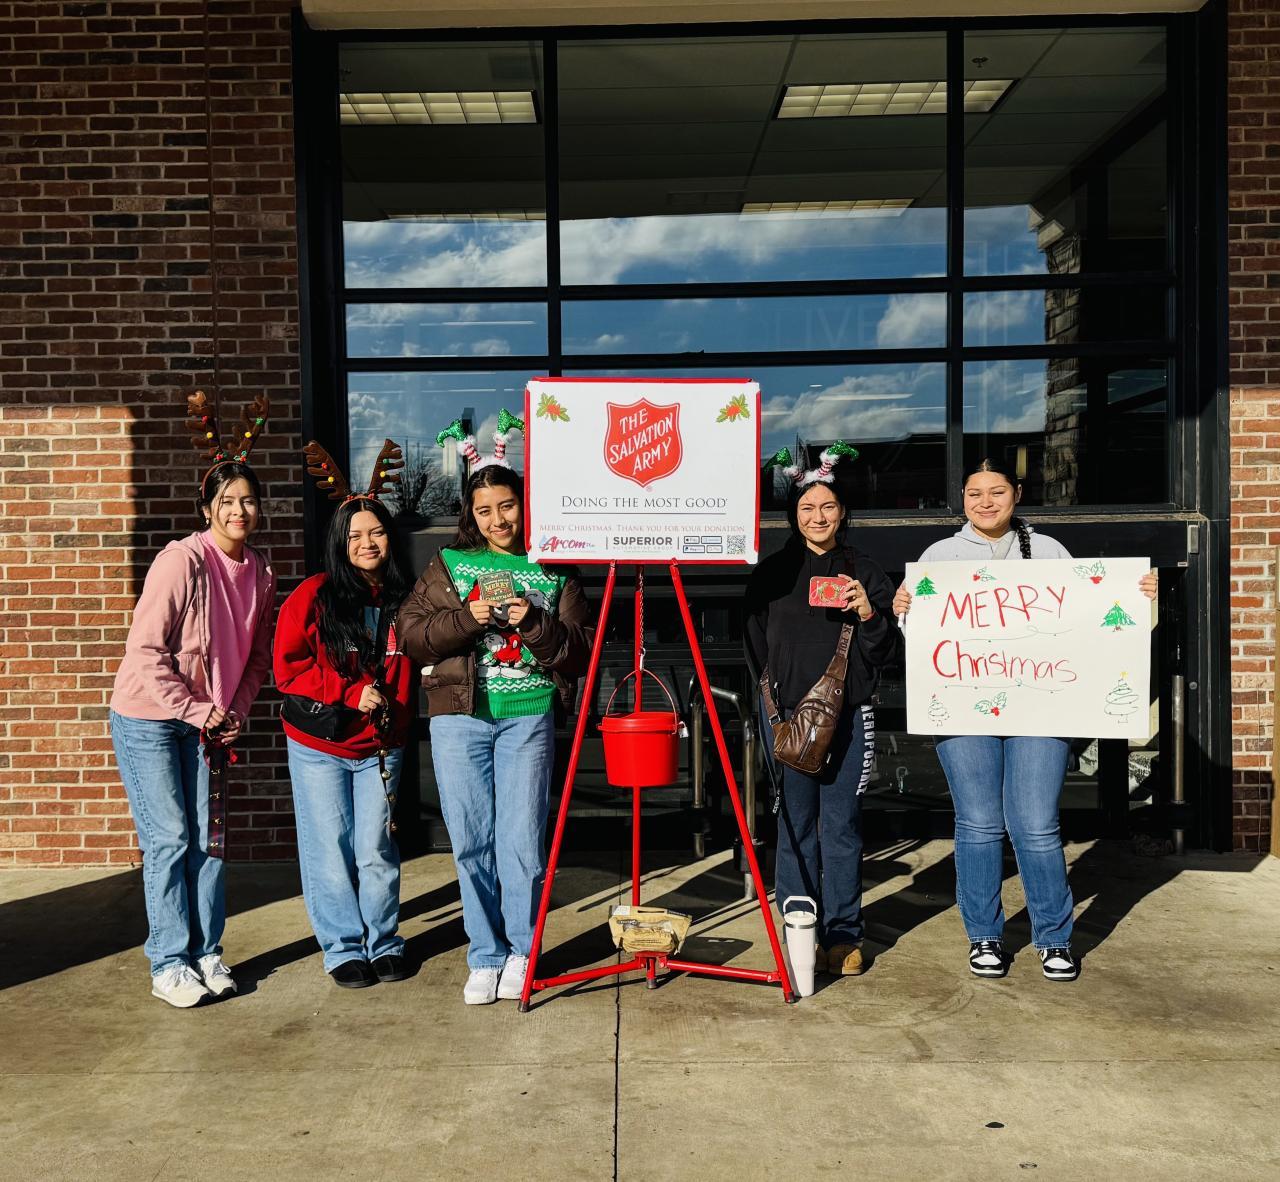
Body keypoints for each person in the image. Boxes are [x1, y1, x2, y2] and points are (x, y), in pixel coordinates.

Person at [892, 458, 1158, 983]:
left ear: (1016, 494)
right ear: (962, 499)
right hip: (964, 706)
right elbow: (921, 638)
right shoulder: (939, 556)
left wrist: (1136, 595)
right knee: (978, 824)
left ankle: (1054, 938)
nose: (985, 502)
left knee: (1035, 825)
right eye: (974, 493)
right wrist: (905, 608)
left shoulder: (1050, 550)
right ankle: (984, 936)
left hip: (1041, 706)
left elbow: (1086, 616)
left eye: (996, 492)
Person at [398, 462, 593, 1005]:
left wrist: (532, 620)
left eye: (506, 506)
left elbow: (579, 650)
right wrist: (468, 618)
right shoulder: (449, 563)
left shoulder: (554, 564)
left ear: (523, 505)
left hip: (528, 716)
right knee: (471, 841)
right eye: (484, 510)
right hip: (459, 718)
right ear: (471, 514)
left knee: (522, 843)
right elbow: (410, 634)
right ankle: (485, 955)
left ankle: (523, 951)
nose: (497, 520)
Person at [109, 442, 276, 1007]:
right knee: (169, 839)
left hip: (206, 722)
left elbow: (257, 659)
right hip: (149, 718)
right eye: (227, 501)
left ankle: (206, 953)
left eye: (248, 500)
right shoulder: (181, 561)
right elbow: (145, 651)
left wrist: (237, 710)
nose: (238, 511)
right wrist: (201, 710)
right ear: (207, 508)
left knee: (209, 840)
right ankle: (168, 963)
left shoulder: (261, 572)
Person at [745, 446, 901, 979]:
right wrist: (775, 701)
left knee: (842, 828)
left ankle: (843, 934)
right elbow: (755, 647)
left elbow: (885, 652)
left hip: (849, 717)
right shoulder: (772, 574)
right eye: (807, 507)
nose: (818, 516)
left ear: (843, 511)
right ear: (793, 514)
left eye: (828, 506)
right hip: (788, 719)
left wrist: (869, 613)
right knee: (794, 826)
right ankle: (801, 935)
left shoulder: (866, 572)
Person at [274, 474, 416, 989]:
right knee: (329, 849)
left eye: (376, 532)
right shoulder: (314, 595)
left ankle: (384, 942)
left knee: (375, 847)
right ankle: (343, 948)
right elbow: (287, 668)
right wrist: (348, 691)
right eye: (355, 535)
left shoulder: (409, 599)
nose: (366, 543)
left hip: (381, 745)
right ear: (340, 541)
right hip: (321, 745)